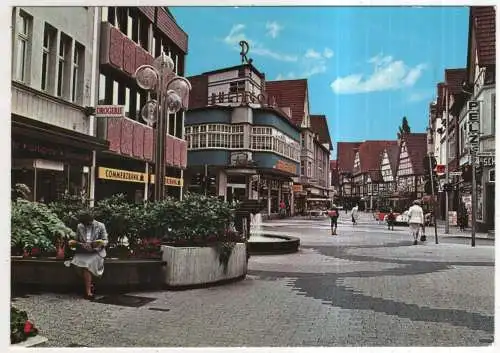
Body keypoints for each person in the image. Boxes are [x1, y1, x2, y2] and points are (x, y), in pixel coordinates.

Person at [65, 211, 108, 300]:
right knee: (75, 262)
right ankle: (89, 283)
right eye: (84, 224)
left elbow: (105, 240)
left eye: (88, 223)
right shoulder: (80, 226)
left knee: (86, 264)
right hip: (83, 252)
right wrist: (80, 244)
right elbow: (76, 240)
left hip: (96, 252)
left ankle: (88, 292)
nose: (86, 225)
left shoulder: (100, 225)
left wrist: (96, 245)